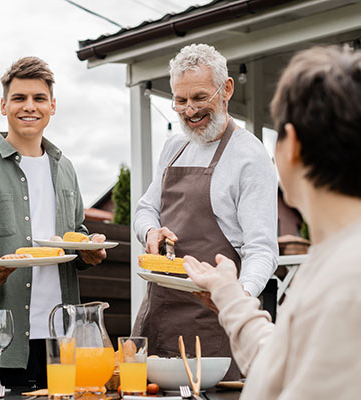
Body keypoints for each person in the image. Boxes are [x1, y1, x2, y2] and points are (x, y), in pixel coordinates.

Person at [183, 45, 361, 398]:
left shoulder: (345, 281)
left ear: (289, 146)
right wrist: (228, 294)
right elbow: (278, 367)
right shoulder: (331, 262)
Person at [0, 56, 107, 388]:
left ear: (52, 106)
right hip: (2, 337)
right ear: (3, 105)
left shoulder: (67, 170)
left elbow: (76, 233)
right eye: (19, 98)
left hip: (64, 337)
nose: (29, 106)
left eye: (39, 98)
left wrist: (89, 249)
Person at [132, 44, 278, 379]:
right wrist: (150, 232)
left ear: (226, 89)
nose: (189, 110)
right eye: (180, 101)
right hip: (158, 316)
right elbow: (145, 209)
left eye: (199, 97)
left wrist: (236, 298)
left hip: (213, 325)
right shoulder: (174, 146)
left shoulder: (248, 155)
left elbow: (262, 250)